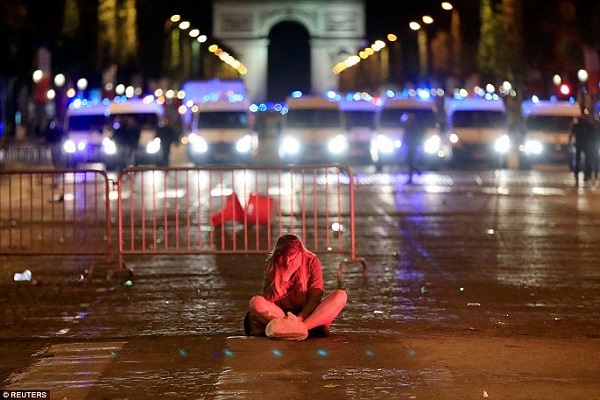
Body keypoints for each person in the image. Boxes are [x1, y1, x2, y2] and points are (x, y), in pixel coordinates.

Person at [244, 234, 347, 339]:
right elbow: (267, 298)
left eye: (292, 258)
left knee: (340, 295)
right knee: (255, 302)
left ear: (300, 253)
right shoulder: (273, 263)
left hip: (306, 316)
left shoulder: (312, 261)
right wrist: (284, 278)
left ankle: (300, 328)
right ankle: (292, 328)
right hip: (280, 314)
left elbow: (315, 298)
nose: (287, 262)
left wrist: (300, 317)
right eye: (284, 258)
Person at [570, 112, 597, 186]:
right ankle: (581, 176)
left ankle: (586, 176)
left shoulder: (588, 126)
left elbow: (594, 136)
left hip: (585, 145)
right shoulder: (582, 126)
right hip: (583, 145)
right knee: (583, 161)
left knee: (587, 161)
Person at [402, 112, 426, 184]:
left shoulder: (412, 127)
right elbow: (405, 137)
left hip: (412, 147)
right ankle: (416, 172)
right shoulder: (409, 126)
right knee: (409, 162)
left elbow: (413, 137)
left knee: (410, 162)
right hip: (410, 146)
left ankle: (413, 176)